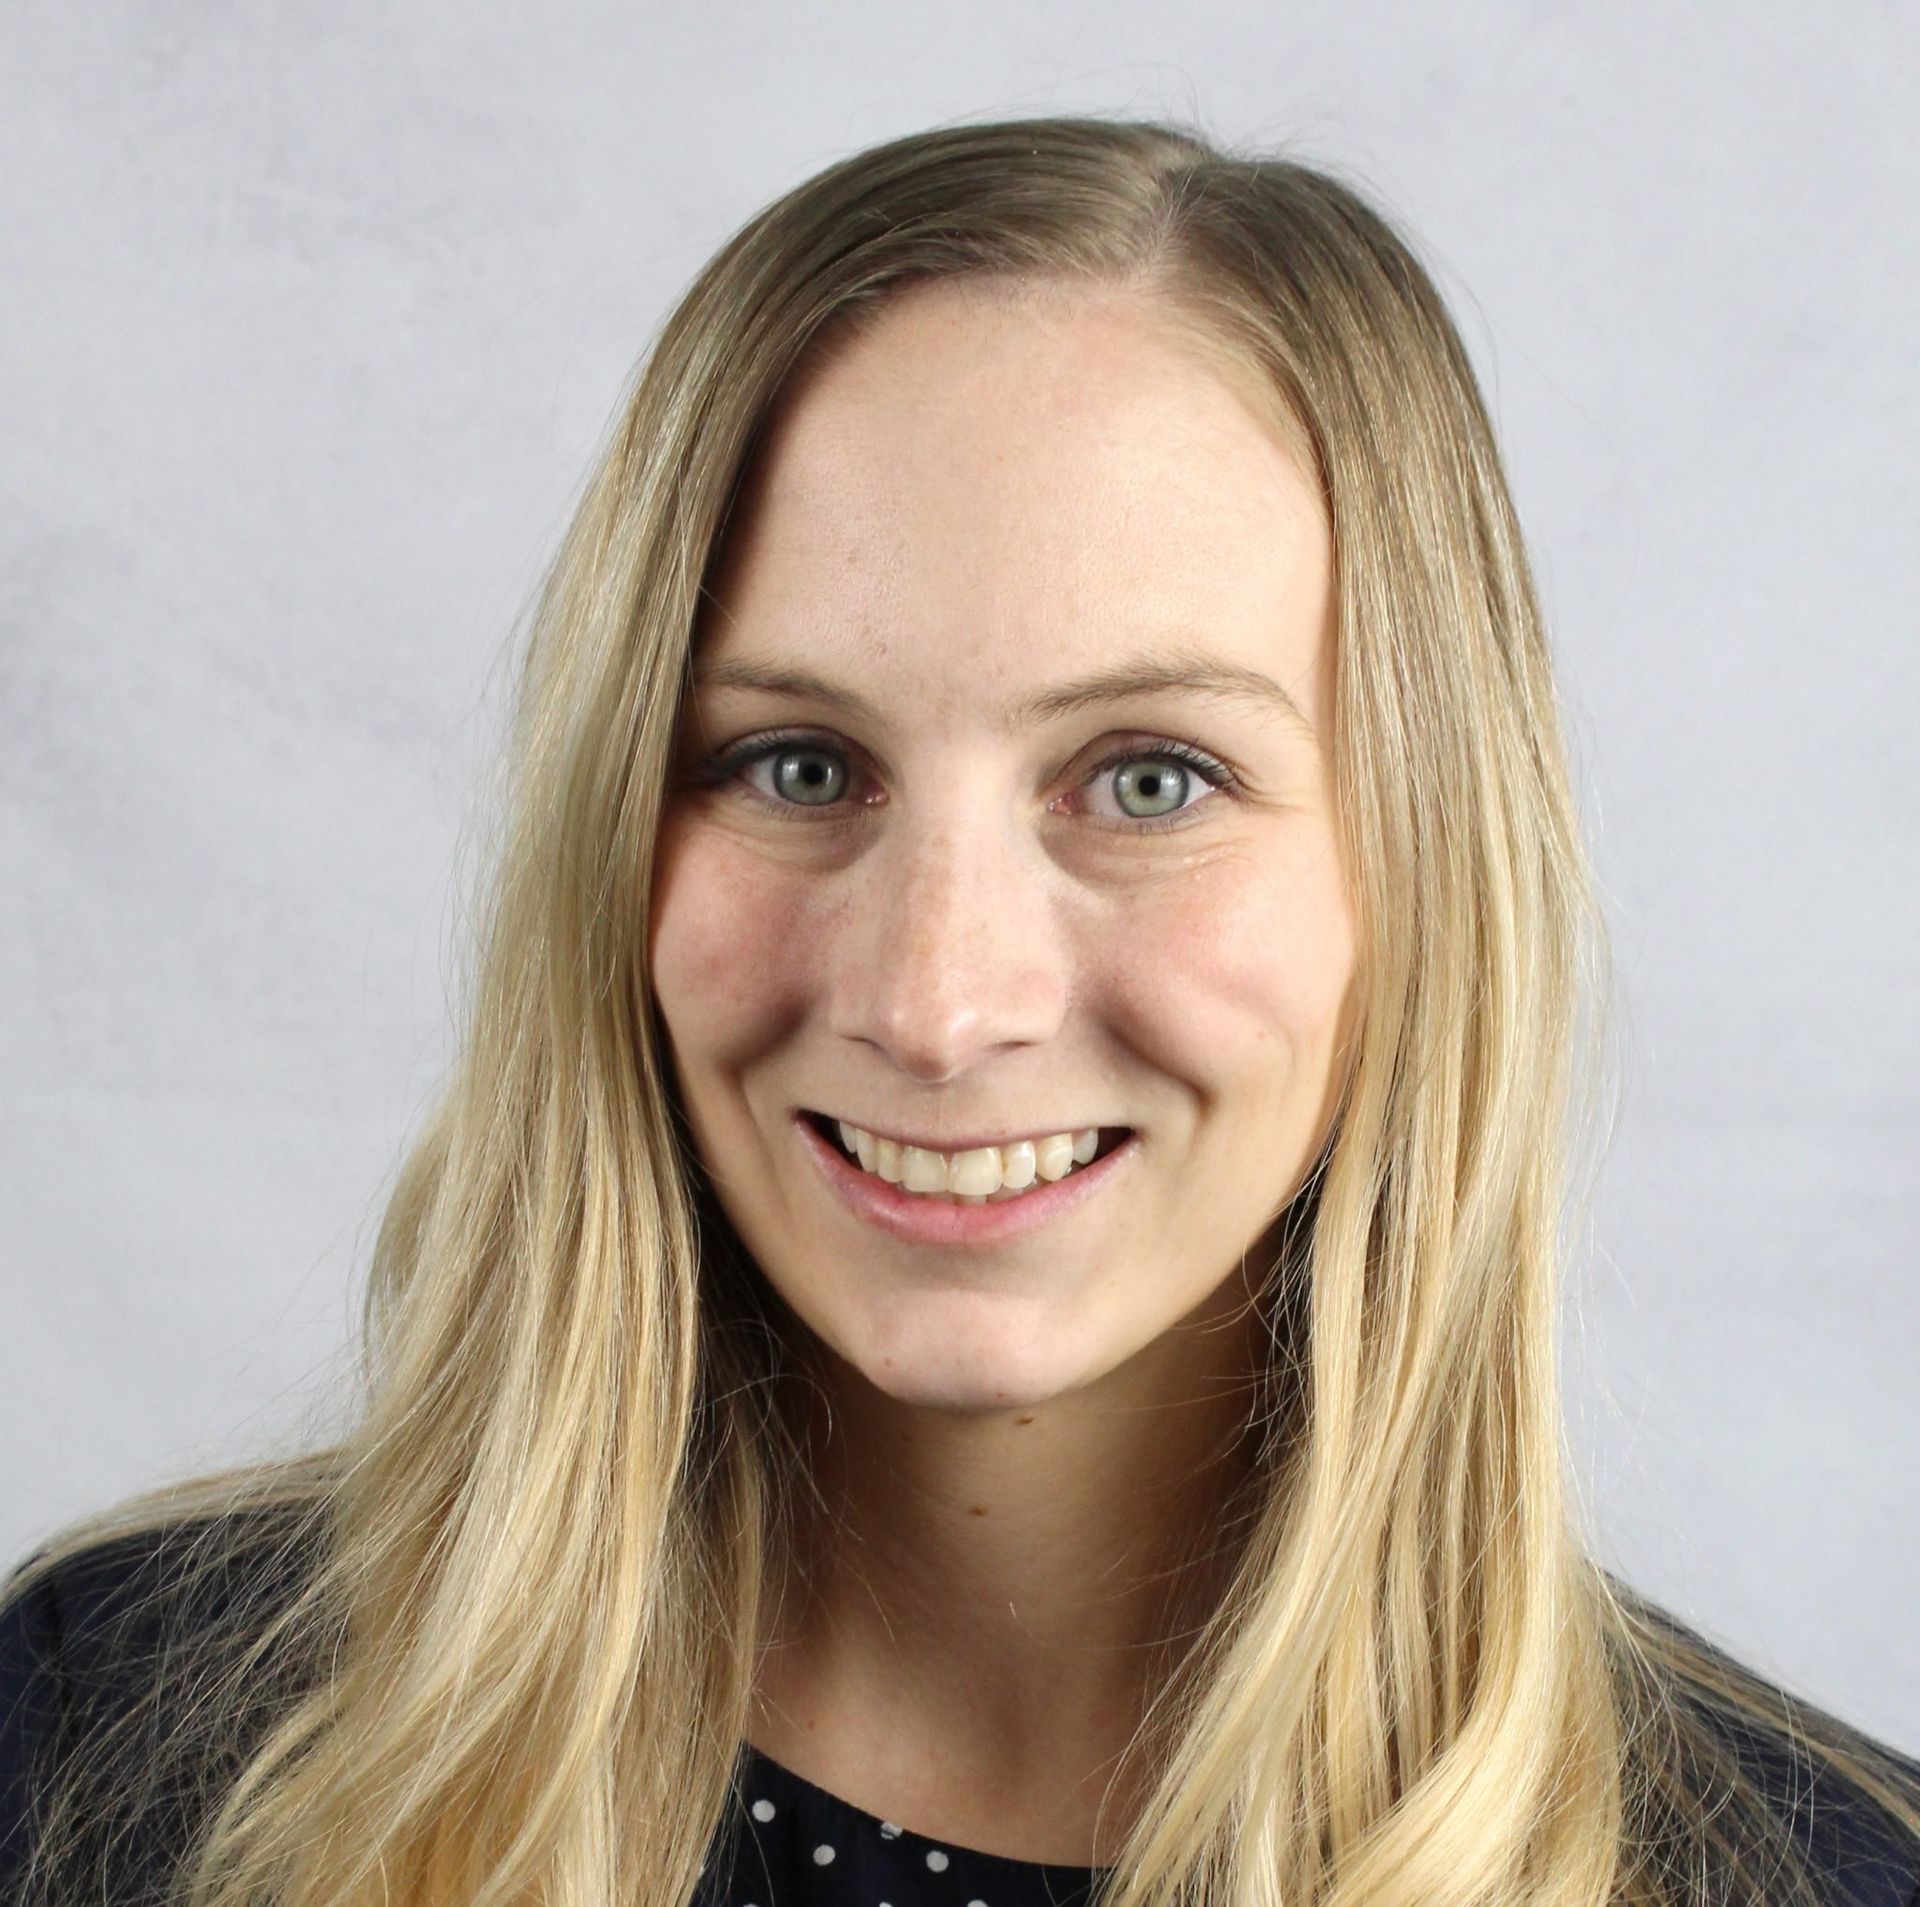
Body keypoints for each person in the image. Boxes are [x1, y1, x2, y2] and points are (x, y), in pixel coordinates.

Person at [2, 111, 1915, 1907]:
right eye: (796, 767)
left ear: (1425, 867)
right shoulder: (122, 1737)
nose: (937, 1000)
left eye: (1149, 776)